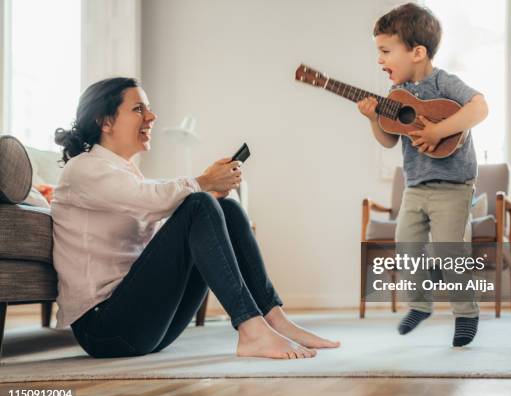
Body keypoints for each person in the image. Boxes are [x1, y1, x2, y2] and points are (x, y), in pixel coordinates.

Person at [51, 77, 340, 359]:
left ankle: (274, 318)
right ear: (105, 121)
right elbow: (149, 199)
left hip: (144, 325)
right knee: (199, 202)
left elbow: (159, 220)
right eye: (139, 109)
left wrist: (210, 193)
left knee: (222, 208)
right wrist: (203, 182)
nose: (151, 116)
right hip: (105, 329)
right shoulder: (83, 169)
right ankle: (251, 329)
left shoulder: (126, 174)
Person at [357, 3, 489, 347]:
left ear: (417, 52)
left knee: (450, 251)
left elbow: (479, 107)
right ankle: (419, 304)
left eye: (386, 51)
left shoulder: (444, 82)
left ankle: (466, 313)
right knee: (407, 245)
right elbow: (388, 140)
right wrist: (373, 118)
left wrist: (438, 130)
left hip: (454, 187)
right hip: (415, 186)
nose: (380, 59)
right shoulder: (395, 96)